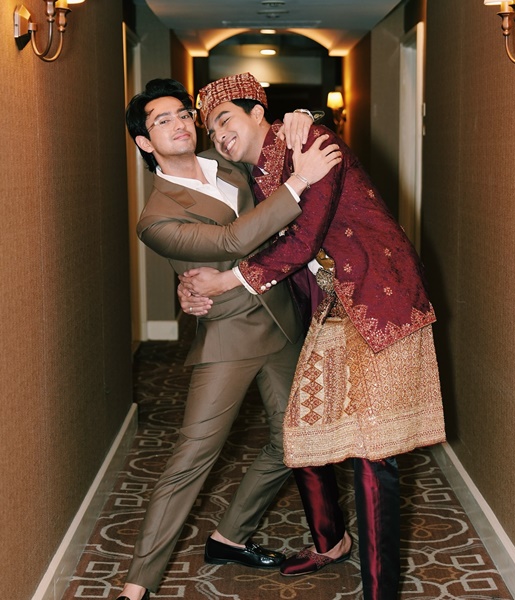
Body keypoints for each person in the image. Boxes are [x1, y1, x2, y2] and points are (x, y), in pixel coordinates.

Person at [182, 72, 446, 600]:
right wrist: (198, 287)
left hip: (380, 297)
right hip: (327, 307)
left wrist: (231, 279)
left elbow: (303, 237)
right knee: (302, 433)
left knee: (375, 452)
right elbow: (241, 236)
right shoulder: (247, 177)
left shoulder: (312, 141)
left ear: (259, 113)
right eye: (211, 129)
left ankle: (380, 590)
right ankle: (331, 542)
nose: (219, 135)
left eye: (225, 119)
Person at [118, 78, 340, 600]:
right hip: (229, 337)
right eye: (160, 121)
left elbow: (272, 140)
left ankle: (230, 537)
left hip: (282, 323)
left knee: (292, 443)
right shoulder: (155, 217)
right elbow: (230, 240)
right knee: (190, 461)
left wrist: (301, 116)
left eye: (180, 114)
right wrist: (298, 184)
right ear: (145, 143)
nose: (176, 124)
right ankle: (136, 588)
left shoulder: (234, 170)